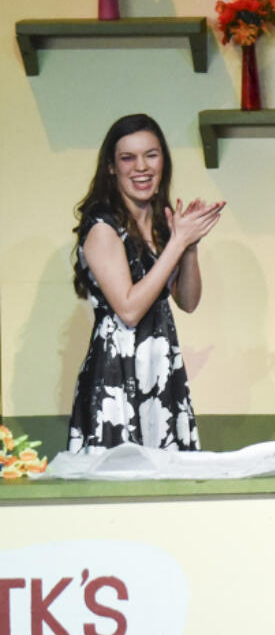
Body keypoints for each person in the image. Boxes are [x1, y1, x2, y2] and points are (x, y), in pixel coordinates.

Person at [68, 114, 225, 453]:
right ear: (112, 167)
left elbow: (188, 300)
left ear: (163, 161)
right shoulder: (102, 227)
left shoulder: (159, 224)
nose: (141, 167)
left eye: (151, 155)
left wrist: (189, 245)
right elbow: (129, 309)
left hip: (159, 370)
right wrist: (177, 243)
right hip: (117, 379)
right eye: (128, 158)